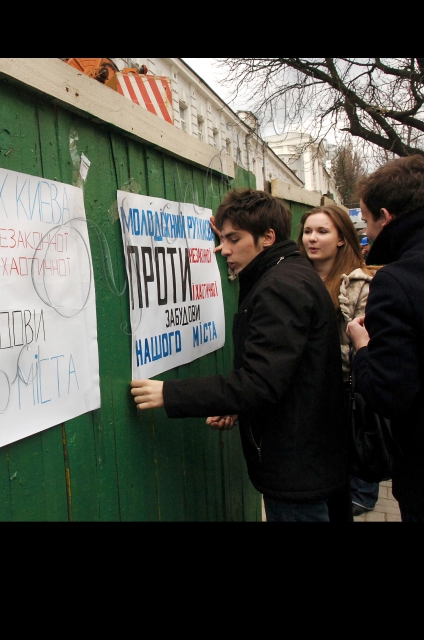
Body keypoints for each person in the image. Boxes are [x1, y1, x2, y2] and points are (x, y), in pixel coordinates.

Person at [131, 188, 347, 522]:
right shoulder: (289, 272)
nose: (223, 249)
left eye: (234, 239)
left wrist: (170, 393)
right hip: (308, 459)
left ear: (267, 237)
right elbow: (285, 371)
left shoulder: (280, 286)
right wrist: (235, 406)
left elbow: (261, 382)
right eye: (223, 238)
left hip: (296, 469)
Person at [346, 155, 424, 522]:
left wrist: (363, 347)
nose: (367, 231)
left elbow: (388, 393)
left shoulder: (395, 281)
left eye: (365, 220)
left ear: (385, 216)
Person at [297, 205, 379, 518]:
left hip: (342, 403)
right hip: (306, 405)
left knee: (336, 495)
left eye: (322, 231)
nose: (312, 239)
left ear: (342, 238)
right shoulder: (295, 276)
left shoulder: (359, 285)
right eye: (307, 231)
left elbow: (363, 346)